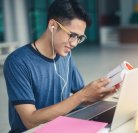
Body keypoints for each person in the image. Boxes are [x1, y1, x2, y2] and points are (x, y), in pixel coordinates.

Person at [3, 0, 116, 132]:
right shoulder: (18, 61)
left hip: (62, 127)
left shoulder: (65, 56)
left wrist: (101, 92)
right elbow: (30, 121)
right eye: (72, 35)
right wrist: (83, 95)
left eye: (79, 38)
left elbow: (82, 99)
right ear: (52, 25)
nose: (74, 44)